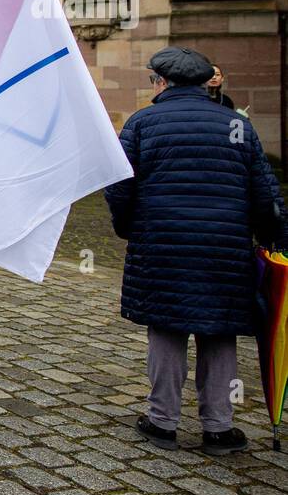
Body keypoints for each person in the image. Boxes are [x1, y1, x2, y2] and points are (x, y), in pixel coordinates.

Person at [105, 47, 287, 457]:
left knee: (167, 327)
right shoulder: (237, 125)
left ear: (161, 82)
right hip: (225, 248)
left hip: (162, 245)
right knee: (218, 330)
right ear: (207, 83)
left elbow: (118, 186)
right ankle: (219, 427)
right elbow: (266, 195)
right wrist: (275, 238)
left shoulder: (142, 123)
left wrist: (129, 228)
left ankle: (162, 421)